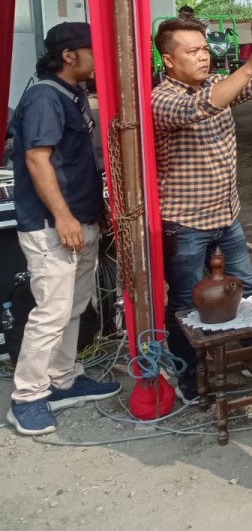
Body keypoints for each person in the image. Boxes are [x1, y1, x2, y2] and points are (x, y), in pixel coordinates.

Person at [151, 17, 252, 400]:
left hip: (225, 215)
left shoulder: (217, 83)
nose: (204, 56)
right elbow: (202, 107)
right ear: (168, 60)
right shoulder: (162, 98)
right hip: (185, 222)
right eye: (193, 51)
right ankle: (188, 374)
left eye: (204, 48)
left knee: (246, 289)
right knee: (186, 301)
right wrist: (249, 65)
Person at [5, 22, 120, 436]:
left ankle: (63, 378)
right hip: (53, 226)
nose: (99, 60)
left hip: (79, 219)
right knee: (51, 311)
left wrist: (91, 214)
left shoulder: (71, 96)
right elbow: (38, 159)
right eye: (94, 51)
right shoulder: (43, 98)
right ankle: (28, 397)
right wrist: (65, 217)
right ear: (69, 55)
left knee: (73, 306)